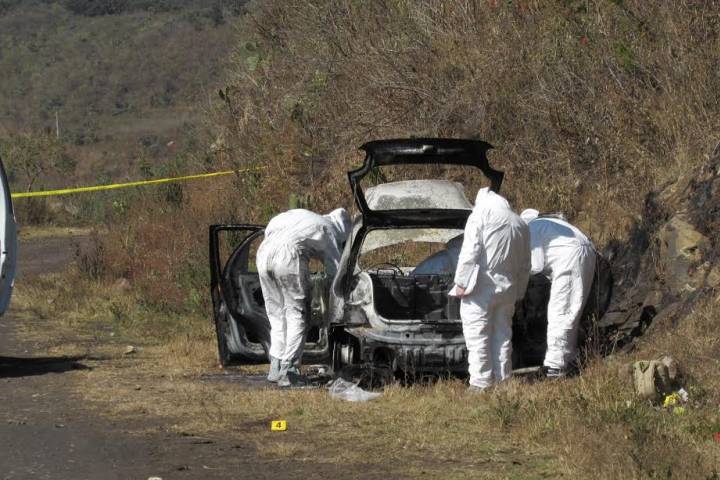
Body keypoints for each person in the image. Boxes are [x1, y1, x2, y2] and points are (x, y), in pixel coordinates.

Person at [257, 208, 351, 388]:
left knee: (277, 314)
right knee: (297, 315)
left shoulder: (305, 218)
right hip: (287, 256)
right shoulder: (329, 229)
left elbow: (270, 231)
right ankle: (289, 371)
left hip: (263, 253)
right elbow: (337, 272)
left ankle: (276, 367)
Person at [450, 188, 530, 392]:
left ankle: (481, 383)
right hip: (508, 287)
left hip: (481, 285)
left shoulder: (480, 215)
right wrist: (520, 293)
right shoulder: (520, 223)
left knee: (477, 333)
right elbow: (525, 265)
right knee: (502, 334)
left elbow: (470, 251)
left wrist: (461, 282)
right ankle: (503, 380)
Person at [520, 209, 596, 378]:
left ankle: (555, 367)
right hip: (587, 253)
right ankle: (569, 359)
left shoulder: (531, 229)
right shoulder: (549, 225)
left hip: (570, 258)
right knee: (572, 311)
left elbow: (535, 266)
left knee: (560, 312)